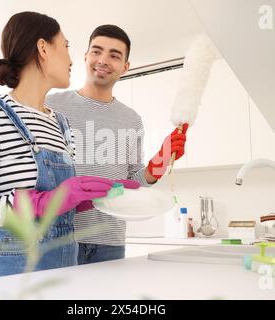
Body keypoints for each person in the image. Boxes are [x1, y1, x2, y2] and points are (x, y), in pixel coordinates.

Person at [0, 12, 137, 279]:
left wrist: (89, 198)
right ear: (43, 48)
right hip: (12, 275)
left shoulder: (60, 122)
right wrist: (41, 203)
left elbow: (60, 206)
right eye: (66, 46)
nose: (72, 60)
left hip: (63, 269)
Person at [46, 25, 188, 265]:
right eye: (97, 51)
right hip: (59, 238)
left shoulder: (131, 120)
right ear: (85, 56)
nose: (103, 60)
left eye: (114, 55)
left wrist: (159, 162)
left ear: (125, 67)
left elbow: (133, 182)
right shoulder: (51, 105)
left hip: (110, 243)